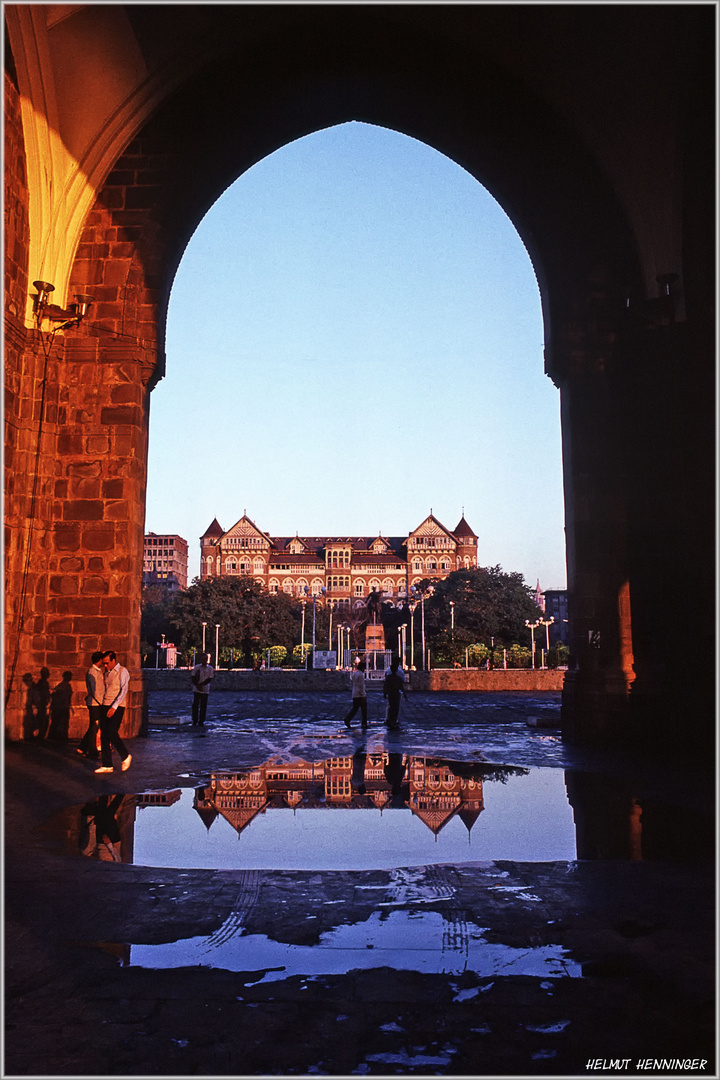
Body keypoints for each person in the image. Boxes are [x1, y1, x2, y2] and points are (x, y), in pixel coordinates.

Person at [95, 651, 131, 773]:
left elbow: (123, 690)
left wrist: (114, 707)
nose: (105, 666)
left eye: (107, 663)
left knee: (111, 732)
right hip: (105, 704)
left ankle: (125, 755)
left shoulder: (122, 671)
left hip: (117, 706)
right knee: (104, 734)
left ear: (113, 660)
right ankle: (107, 764)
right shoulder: (107, 673)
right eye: (104, 663)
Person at [78, 652, 104, 759]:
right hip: (95, 703)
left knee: (94, 726)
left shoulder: (97, 671)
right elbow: (95, 690)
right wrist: (102, 703)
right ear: (99, 660)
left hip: (96, 702)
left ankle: (83, 747)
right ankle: (91, 751)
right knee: (94, 726)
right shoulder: (92, 672)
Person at [383, 657, 407, 729]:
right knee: (396, 708)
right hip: (396, 693)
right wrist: (405, 695)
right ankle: (393, 721)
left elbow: (385, 685)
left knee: (390, 707)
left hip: (390, 693)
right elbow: (402, 685)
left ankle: (389, 719)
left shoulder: (388, 674)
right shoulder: (399, 675)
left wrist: (384, 693)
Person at [48, 671, 73, 741]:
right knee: (61, 723)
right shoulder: (63, 686)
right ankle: (59, 737)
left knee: (62, 723)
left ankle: (60, 737)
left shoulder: (65, 685)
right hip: (62, 707)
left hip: (64, 707)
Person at [190, 653, 214, 726]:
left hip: (205, 689)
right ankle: (195, 720)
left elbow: (210, 678)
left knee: (203, 706)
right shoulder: (197, 667)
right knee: (195, 705)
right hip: (197, 689)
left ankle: (201, 721)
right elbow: (193, 677)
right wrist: (197, 685)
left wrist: (201, 685)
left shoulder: (210, 668)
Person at [343, 660, 368, 729]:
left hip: (355, 693)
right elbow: (361, 686)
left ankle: (348, 718)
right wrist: (363, 695)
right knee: (364, 710)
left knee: (355, 708)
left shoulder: (355, 673)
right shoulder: (360, 675)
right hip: (360, 694)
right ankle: (364, 723)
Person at [21, 672, 39, 741]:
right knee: (28, 722)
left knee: (32, 721)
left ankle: (31, 735)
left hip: (32, 707)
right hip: (29, 707)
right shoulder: (31, 688)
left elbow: (35, 698)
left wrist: (34, 705)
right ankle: (29, 735)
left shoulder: (33, 688)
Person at [35, 667, 51, 740]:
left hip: (42, 703)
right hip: (42, 703)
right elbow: (44, 693)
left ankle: (41, 735)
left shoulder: (42, 682)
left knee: (42, 719)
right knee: (43, 720)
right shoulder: (43, 683)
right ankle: (41, 736)